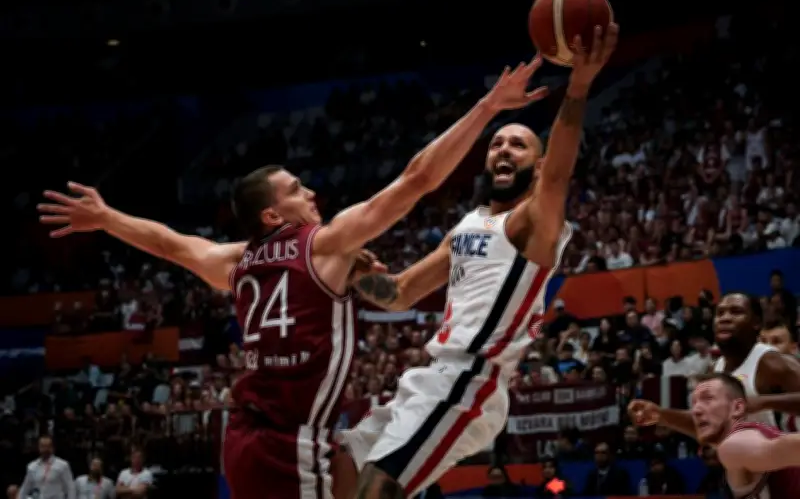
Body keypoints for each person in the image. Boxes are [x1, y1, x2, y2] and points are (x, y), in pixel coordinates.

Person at [38, 59, 548, 499]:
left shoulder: (234, 261)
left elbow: (169, 243)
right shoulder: (323, 243)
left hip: (241, 441)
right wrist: (487, 107)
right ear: (272, 216)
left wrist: (108, 219)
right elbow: (417, 179)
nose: (311, 194)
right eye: (296, 189)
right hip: (292, 442)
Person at [342, 24, 619, 499]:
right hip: (430, 378)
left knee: (378, 487)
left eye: (518, 144)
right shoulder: (467, 226)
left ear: (534, 165)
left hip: (473, 378)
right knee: (338, 475)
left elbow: (558, 175)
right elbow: (400, 293)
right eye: (496, 143)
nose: (503, 149)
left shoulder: (534, 222)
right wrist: (349, 271)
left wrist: (578, 86)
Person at [628, 292, 800, 437]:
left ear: (756, 323)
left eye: (736, 312)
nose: (725, 318)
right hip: (743, 471)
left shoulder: (769, 361)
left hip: (780, 468)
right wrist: (661, 415)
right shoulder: (715, 368)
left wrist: (761, 402)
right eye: (720, 313)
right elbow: (708, 426)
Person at [690, 373, 800, 497]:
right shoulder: (756, 432)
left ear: (737, 408)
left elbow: (785, 447)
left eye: (708, 399)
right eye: (693, 402)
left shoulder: (735, 445)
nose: (695, 410)